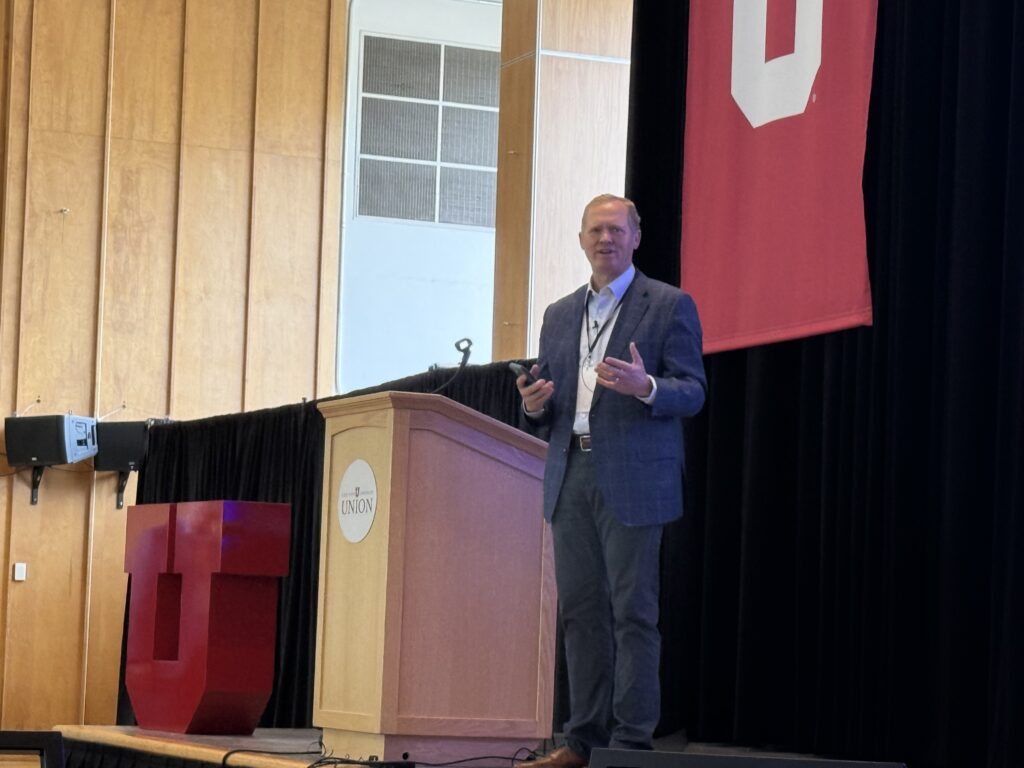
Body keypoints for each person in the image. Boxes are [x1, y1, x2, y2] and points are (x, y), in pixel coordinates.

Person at [516, 194, 707, 768]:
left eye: (616, 230)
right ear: (581, 240)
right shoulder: (558, 314)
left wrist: (646, 387)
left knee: (632, 613)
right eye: (596, 230)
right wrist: (533, 405)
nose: (606, 239)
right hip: (569, 472)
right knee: (580, 612)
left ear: (636, 238)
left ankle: (629, 745)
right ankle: (583, 741)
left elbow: (694, 392)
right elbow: (549, 403)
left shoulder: (668, 305)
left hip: (634, 478)